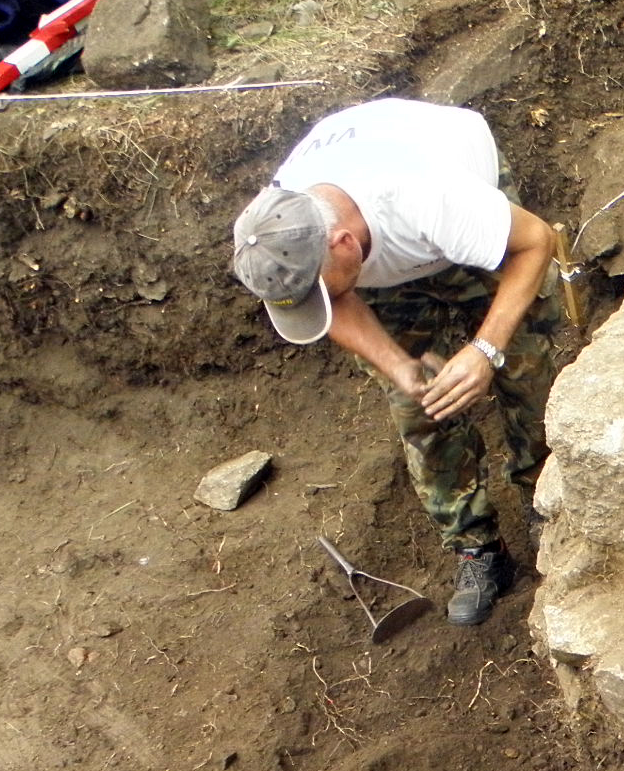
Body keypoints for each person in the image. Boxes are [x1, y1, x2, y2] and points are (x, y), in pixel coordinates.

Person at [231, 98, 559, 626]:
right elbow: (328, 304)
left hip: (449, 214)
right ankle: (477, 549)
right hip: (381, 251)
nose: (324, 301)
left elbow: (536, 242)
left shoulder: (432, 198)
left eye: (324, 290)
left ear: (342, 244)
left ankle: (547, 503)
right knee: (417, 408)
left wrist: (484, 351)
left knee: (525, 370)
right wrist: (396, 365)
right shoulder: (274, 237)